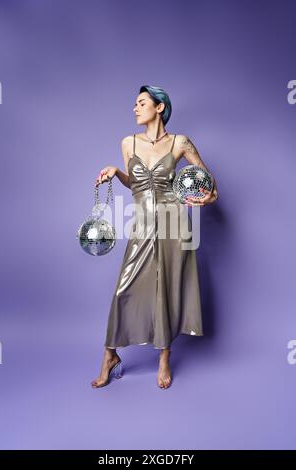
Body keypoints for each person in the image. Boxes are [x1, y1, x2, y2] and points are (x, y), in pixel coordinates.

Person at [91, 85, 218, 389]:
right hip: (142, 226)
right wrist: (116, 173)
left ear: (159, 107)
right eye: (134, 103)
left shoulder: (179, 143)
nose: (135, 108)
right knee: (125, 288)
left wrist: (203, 199)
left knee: (166, 290)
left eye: (141, 103)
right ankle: (110, 354)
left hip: (174, 226)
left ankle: (164, 357)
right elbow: (135, 184)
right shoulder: (128, 142)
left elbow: (211, 188)